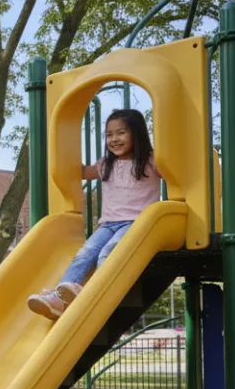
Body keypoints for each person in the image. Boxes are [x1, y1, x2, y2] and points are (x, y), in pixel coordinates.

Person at [29, 109, 160, 320]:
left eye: (121, 133)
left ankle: (94, 294)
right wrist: (57, 149)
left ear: (137, 134)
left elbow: (173, 171)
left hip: (137, 223)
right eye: (109, 134)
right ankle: (57, 299)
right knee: (85, 254)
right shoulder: (105, 164)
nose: (114, 139)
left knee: (108, 252)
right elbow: (79, 170)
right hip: (108, 224)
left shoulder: (151, 161)